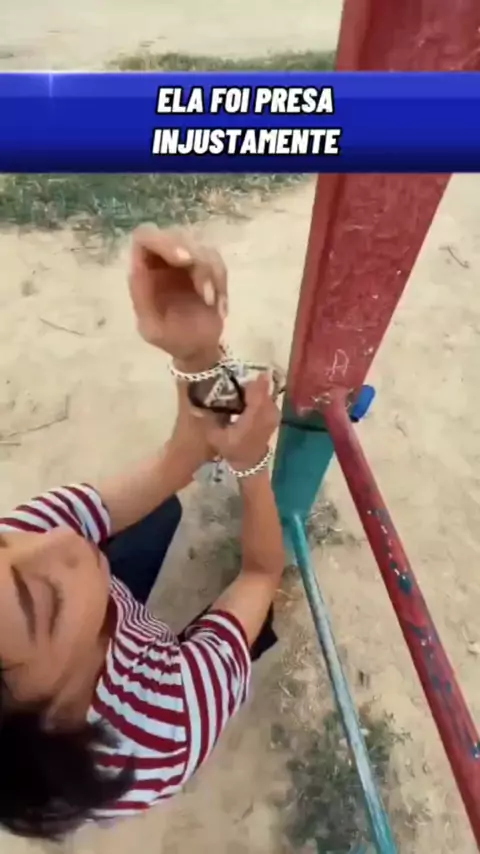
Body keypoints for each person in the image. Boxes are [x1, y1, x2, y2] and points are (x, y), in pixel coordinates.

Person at [0, 225, 285, 841]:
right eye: (45, 600)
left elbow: (177, 461)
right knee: (249, 621)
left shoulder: (22, 551)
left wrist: (198, 357)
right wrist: (253, 468)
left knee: (157, 513)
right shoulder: (168, 721)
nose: (54, 537)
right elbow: (262, 571)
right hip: (145, 716)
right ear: (57, 717)